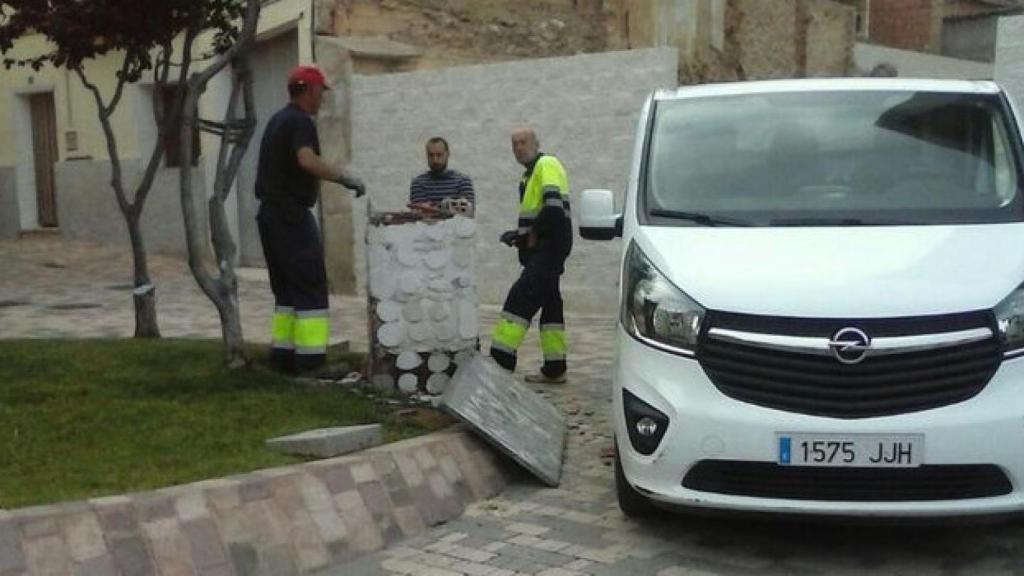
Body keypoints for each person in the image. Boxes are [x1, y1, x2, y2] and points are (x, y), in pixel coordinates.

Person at [255, 65, 366, 374]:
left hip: (270, 215)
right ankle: (312, 362)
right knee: (310, 283)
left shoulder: (277, 120)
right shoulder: (300, 122)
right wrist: (344, 177)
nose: (322, 100)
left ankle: (283, 356)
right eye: (321, 93)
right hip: (290, 215)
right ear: (310, 90)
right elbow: (306, 159)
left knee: (287, 291)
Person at [490, 128, 572, 384]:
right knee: (550, 305)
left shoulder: (546, 164)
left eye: (523, 142)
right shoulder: (529, 175)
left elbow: (554, 211)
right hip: (548, 247)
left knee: (520, 299)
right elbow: (541, 214)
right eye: (514, 143)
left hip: (548, 249)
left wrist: (533, 233)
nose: (518, 147)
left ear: (537, 143)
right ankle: (555, 366)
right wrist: (519, 234)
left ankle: (499, 362)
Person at [409, 137, 475, 216]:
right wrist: (451, 207)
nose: (435, 160)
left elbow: (468, 213)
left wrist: (433, 208)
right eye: (431, 155)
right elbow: (419, 216)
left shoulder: (463, 181)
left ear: (447, 154)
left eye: (439, 155)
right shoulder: (418, 183)